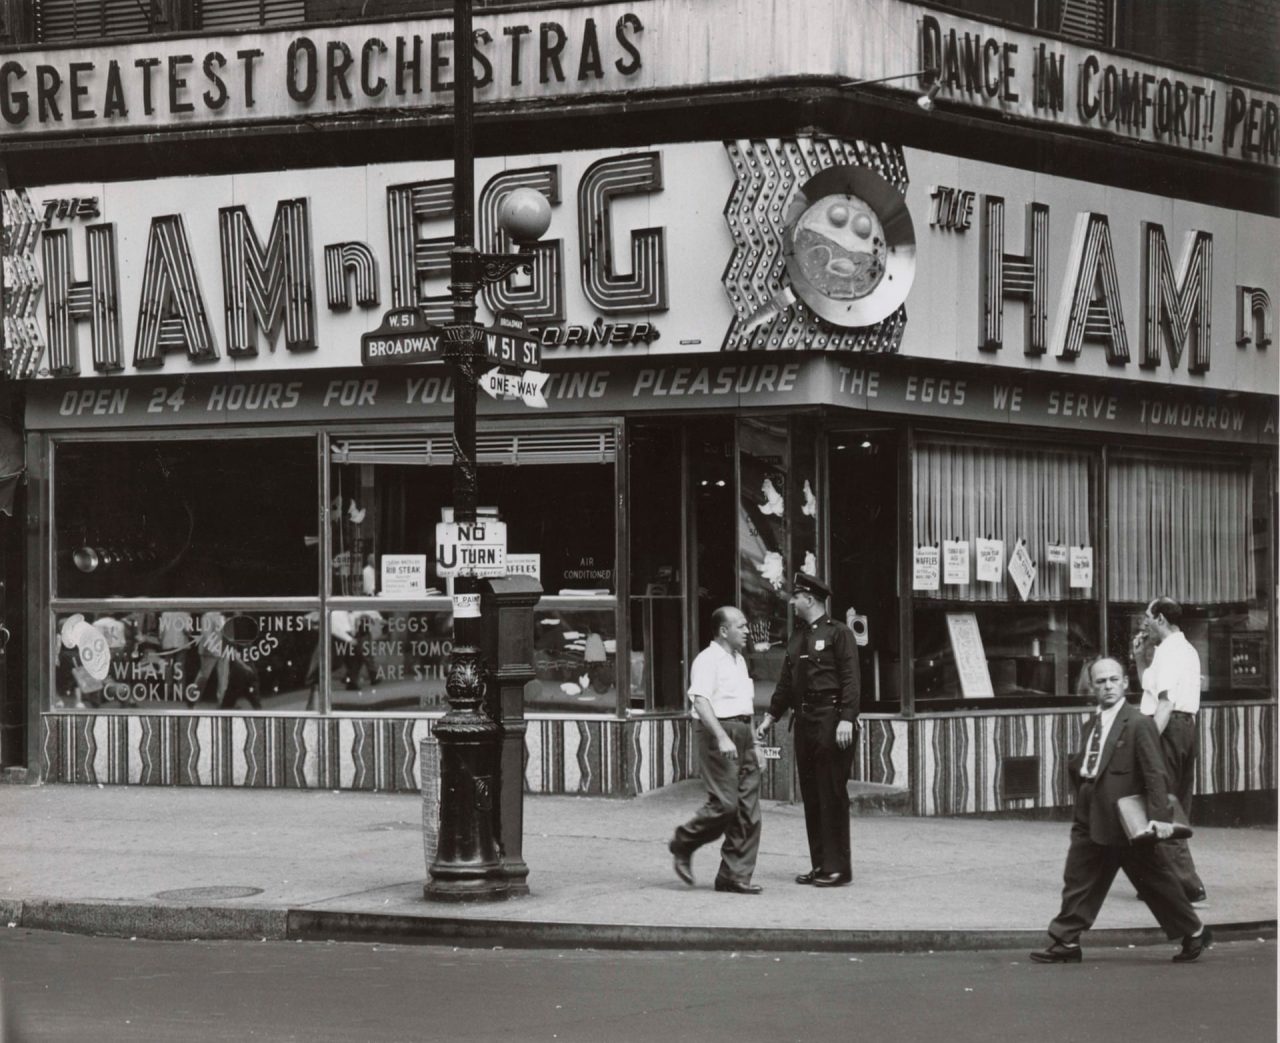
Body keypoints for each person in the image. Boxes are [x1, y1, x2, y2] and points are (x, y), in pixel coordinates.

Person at [1030, 656, 1211, 964]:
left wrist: (1159, 819)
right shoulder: (1092, 723)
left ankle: (1193, 931)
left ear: (1126, 683)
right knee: (1079, 874)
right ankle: (1066, 941)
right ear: (1092, 687)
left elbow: (1156, 773)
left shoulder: (1138, 722)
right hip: (1090, 808)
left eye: (1114, 679)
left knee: (1153, 878)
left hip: (1126, 817)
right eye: (1100, 681)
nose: (1108, 686)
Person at [755, 572, 859, 887]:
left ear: (809, 599)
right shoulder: (798, 639)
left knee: (832, 794)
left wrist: (846, 718)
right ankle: (821, 865)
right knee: (812, 796)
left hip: (831, 720)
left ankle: (839, 867)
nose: (791, 602)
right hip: (804, 722)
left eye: (795, 597)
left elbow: (851, 678)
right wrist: (771, 716)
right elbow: (787, 683)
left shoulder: (839, 633)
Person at [668, 607, 763, 894]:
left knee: (749, 810)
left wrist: (756, 743)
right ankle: (683, 842)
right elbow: (700, 701)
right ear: (724, 631)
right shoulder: (707, 660)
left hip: (743, 733)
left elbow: (746, 704)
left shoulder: (739, 661)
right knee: (725, 804)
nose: (747, 631)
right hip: (718, 732)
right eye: (741, 626)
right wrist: (721, 736)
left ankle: (733, 876)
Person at [1132, 596, 1207, 906]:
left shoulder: (1171, 652)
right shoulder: (1180, 650)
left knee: (1164, 804)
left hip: (1169, 726)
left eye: (1148, 617)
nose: (1144, 623)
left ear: (1160, 619)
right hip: (1185, 727)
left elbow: (1163, 703)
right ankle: (1157, 877)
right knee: (1171, 801)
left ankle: (1189, 885)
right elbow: (1150, 689)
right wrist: (1139, 657)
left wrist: (1146, 741)